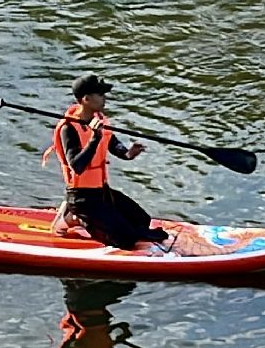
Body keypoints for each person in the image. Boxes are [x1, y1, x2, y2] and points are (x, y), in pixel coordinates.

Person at [45, 75, 171, 251]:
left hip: (101, 192)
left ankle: (89, 217)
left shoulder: (101, 121)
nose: (105, 98)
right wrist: (94, 138)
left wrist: (129, 153)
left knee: (142, 220)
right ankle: (74, 217)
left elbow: (116, 147)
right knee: (126, 240)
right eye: (101, 94)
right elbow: (77, 166)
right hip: (81, 197)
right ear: (86, 99)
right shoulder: (69, 129)